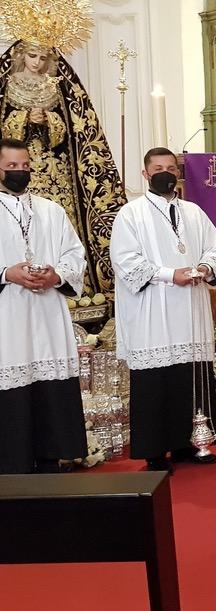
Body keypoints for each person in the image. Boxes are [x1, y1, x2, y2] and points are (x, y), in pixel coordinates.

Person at [111, 147, 216, 474]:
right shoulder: (131, 214)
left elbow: (215, 249)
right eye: (158, 167)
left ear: (178, 173)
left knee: (187, 377)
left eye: (171, 167)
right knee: (156, 382)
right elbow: (126, 261)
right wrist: (169, 274)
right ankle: (155, 452)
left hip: (190, 309)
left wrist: (204, 266)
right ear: (145, 174)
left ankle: (188, 443)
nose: (165, 172)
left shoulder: (194, 212)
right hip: (153, 313)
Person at [0, 41, 125, 296]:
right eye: (32, 56)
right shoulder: (9, 84)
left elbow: (74, 128)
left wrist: (49, 119)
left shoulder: (57, 86)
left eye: (42, 57)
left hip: (55, 171)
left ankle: (62, 280)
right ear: (21, 57)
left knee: (59, 225)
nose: (37, 62)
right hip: (13, 173)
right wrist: (23, 119)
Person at [0, 137, 87, 473]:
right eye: (12, 167)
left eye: (24, 166)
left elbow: (73, 254)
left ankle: (51, 461)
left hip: (47, 314)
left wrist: (56, 275)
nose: (20, 172)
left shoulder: (51, 210)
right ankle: (12, 468)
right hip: (8, 315)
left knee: (49, 389)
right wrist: (8, 273)